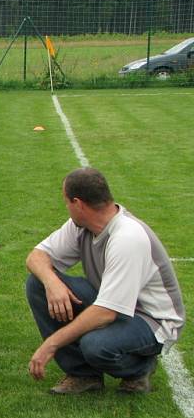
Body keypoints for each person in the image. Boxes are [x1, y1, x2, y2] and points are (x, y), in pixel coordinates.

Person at [26, 167, 185, 394]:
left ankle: (140, 368)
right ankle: (83, 375)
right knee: (37, 284)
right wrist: (52, 282)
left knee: (95, 345)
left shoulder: (127, 237)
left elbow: (106, 312)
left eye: (67, 202)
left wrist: (51, 344)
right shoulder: (80, 226)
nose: (67, 208)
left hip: (152, 319)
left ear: (78, 203)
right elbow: (36, 257)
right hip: (114, 303)